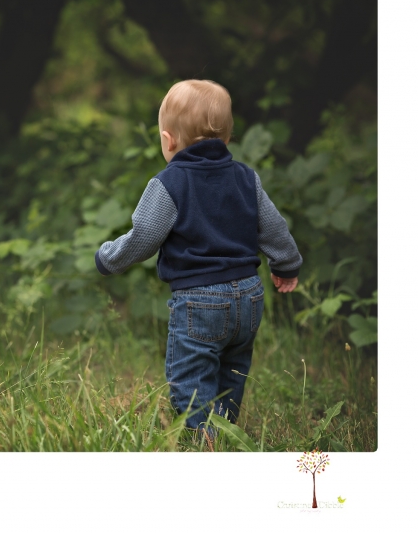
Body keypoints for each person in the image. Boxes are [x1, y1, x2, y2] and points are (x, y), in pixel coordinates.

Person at [95, 79, 302, 438]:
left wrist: (109, 257)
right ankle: (223, 430)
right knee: (232, 370)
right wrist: (286, 264)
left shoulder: (169, 184)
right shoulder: (245, 178)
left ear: (168, 139)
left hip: (200, 301)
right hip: (250, 298)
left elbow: (144, 237)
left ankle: (204, 440)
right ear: (226, 138)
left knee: (191, 377)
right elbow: (273, 228)